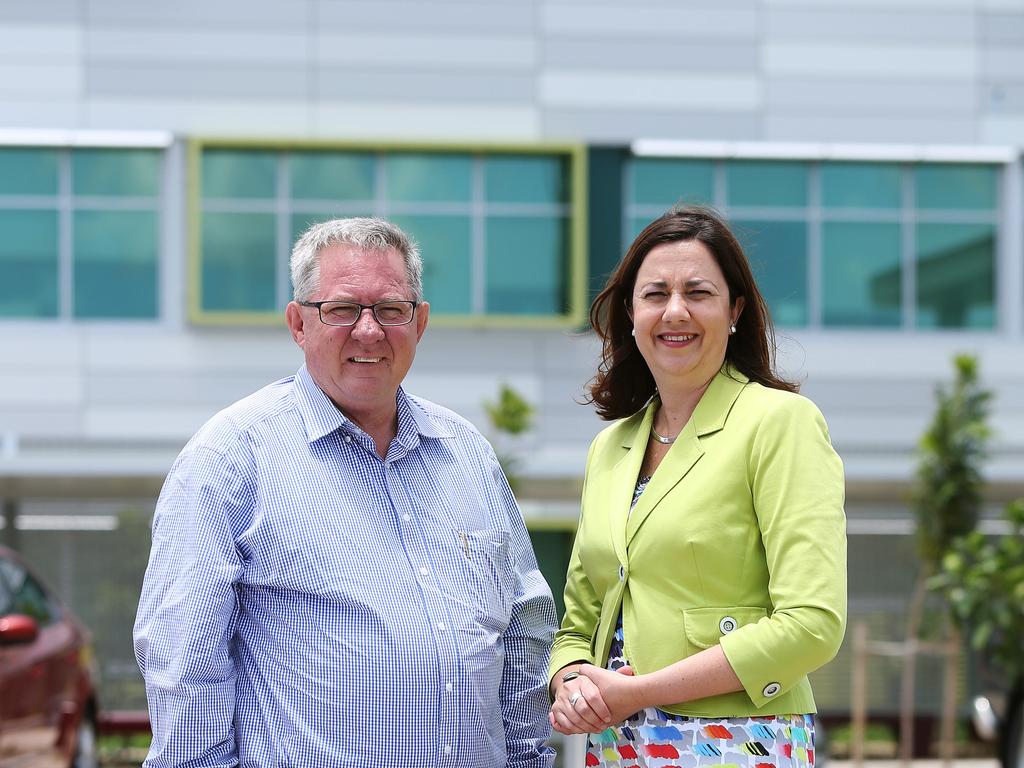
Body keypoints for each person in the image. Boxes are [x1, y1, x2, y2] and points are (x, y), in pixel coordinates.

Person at [134, 217, 558, 767]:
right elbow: (185, 667)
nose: (368, 331)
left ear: (420, 322)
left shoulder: (466, 453)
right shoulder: (230, 459)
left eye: (390, 310)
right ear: (298, 324)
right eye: (340, 310)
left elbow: (524, 630)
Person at [548, 206, 846, 767]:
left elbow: (812, 625)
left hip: (740, 742)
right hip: (618, 747)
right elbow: (579, 624)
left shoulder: (779, 422)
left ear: (734, 310)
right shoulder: (609, 449)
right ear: (631, 315)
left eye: (698, 292)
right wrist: (569, 683)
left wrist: (640, 692)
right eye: (655, 293)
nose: (675, 311)